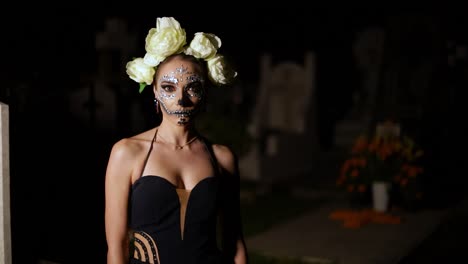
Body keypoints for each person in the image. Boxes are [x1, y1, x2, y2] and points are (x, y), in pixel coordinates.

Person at [104, 17, 248, 264]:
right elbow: (116, 248)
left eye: (192, 88)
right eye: (169, 88)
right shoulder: (127, 152)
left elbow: (234, 243)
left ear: (204, 94)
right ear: (155, 92)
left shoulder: (222, 157)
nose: (181, 100)